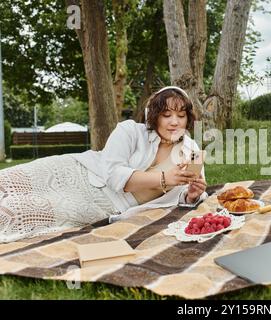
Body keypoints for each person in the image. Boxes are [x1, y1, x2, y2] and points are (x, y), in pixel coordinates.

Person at [0, 86, 208, 243]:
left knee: (15, 210)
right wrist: (163, 179)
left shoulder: (192, 151)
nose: (175, 122)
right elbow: (114, 174)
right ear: (154, 116)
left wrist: (192, 194)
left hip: (104, 203)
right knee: (6, 182)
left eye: (181, 116)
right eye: (166, 115)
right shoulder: (129, 131)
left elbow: (190, 194)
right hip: (79, 170)